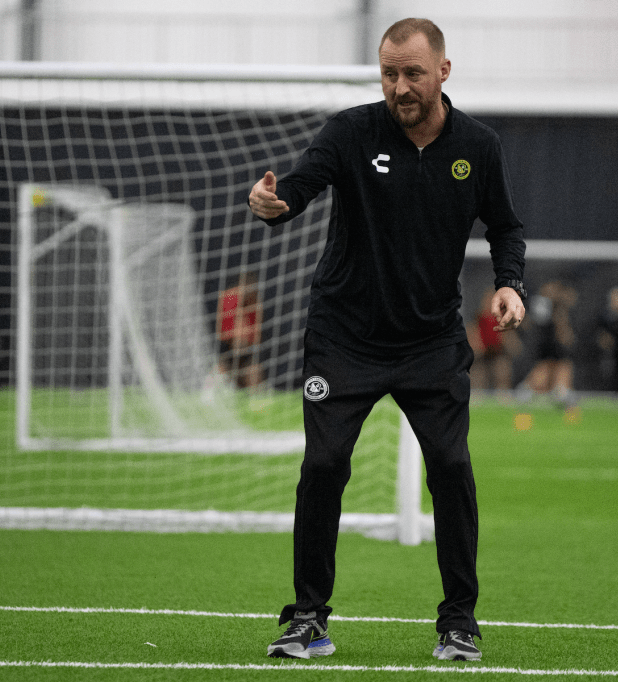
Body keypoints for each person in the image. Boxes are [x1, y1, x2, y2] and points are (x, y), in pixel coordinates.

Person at [247, 18, 526, 663]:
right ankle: (308, 618)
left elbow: (505, 227)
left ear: (444, 72)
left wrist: (509, 282)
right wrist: (275, 202)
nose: (399, 86)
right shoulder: (350, 131)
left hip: (430, 340)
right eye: (389, 73)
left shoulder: (477, 147)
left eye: (413, 74)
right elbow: (300, 184)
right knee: (322, 467)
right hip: (344, 336)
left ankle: (459, 622)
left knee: (452, 470)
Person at [515, 280, 578, 410]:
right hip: (543, 350)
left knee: (562, 376)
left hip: (559, 352)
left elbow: (567, 339)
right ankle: (526, 390)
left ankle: (561, 395)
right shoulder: (539, 305)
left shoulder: (563, 311)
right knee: (541, 378)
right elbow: (530, 323)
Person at [467, 287, 521, 397]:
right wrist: (477, 346)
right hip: (481, 359)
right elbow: (470, 349)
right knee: (477, 374)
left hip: (499, 356)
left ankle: (503, 400)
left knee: (502, 369)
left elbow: (517, 349)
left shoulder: (505, 321)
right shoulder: (476, 322)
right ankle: (477, 403)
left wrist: (506, 337)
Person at [215, 271, 263, 389]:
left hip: (247, 350)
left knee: (254, 374)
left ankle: (256, 396)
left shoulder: (254, 303)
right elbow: (222, 331)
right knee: (219, 375)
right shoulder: (229, 298)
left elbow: (256, 335)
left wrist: (246, 341)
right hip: (229, 347)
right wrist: (235, 339)